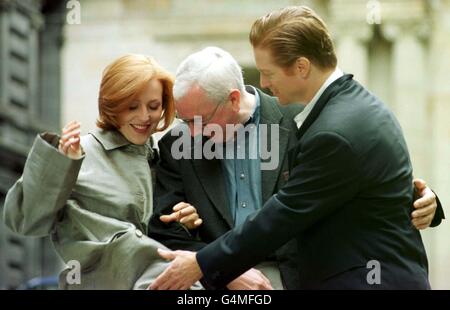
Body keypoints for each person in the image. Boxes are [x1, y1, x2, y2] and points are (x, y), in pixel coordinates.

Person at [149, 6, 445, 290]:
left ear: (301, 67)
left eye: (269, 73)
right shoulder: (350, 107)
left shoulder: (325, 128)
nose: (263, 82)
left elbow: (285, 213)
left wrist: (203, 263)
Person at [2, 54, 202, 289]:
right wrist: (63, 164)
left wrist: (184, 225)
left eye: (154, 106)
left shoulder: (164, 161)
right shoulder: (80, 153)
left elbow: (158, 241)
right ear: (112, 105)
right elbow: (24, 220)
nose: (144, 117)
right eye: (132, 106)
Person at [148, 47, 302, 289]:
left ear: (234, 99)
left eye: (201, 119)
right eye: (185, 120)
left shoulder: (298, 123)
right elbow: (165, 235)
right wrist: (221, 268)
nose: (193, 133)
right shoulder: (177, 146)